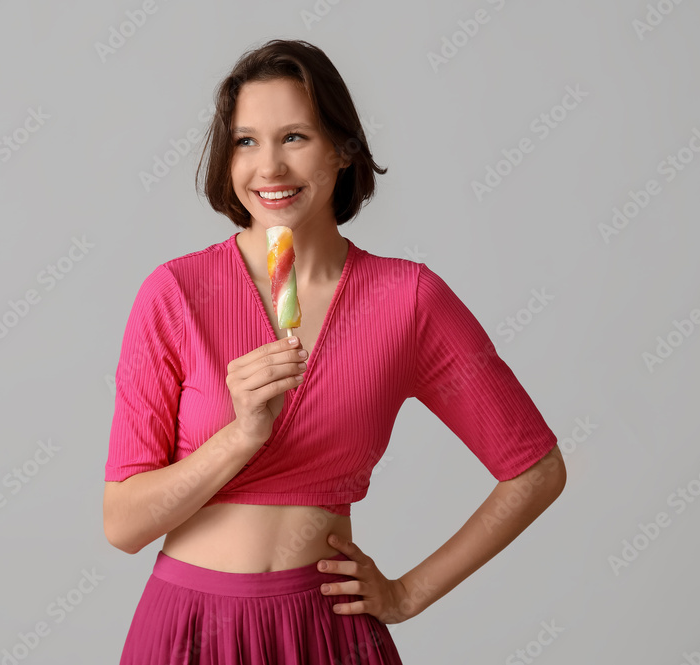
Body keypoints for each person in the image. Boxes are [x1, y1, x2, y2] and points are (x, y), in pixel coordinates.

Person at [103, 38, 566, 664]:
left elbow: (535, 470)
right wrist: (240, 437)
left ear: (343, 150)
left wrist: (407, 594)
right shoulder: (175, 293)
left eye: (295, 137)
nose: (268, 168)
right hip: (188, 629)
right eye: (246, 141)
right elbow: (124, 525)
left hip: (326, 634)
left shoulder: (408, 299)